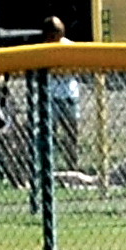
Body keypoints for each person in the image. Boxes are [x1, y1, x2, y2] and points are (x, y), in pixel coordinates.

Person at [37, 17, 81, 172]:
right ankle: (49, 168)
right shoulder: (43, 49)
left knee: (71, 133)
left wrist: (64, 69)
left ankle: (73, 166)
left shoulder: (69, 46)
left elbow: (77, 68)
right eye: (53, 33)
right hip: (52, 96)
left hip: (69, 95)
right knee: (50, 132)